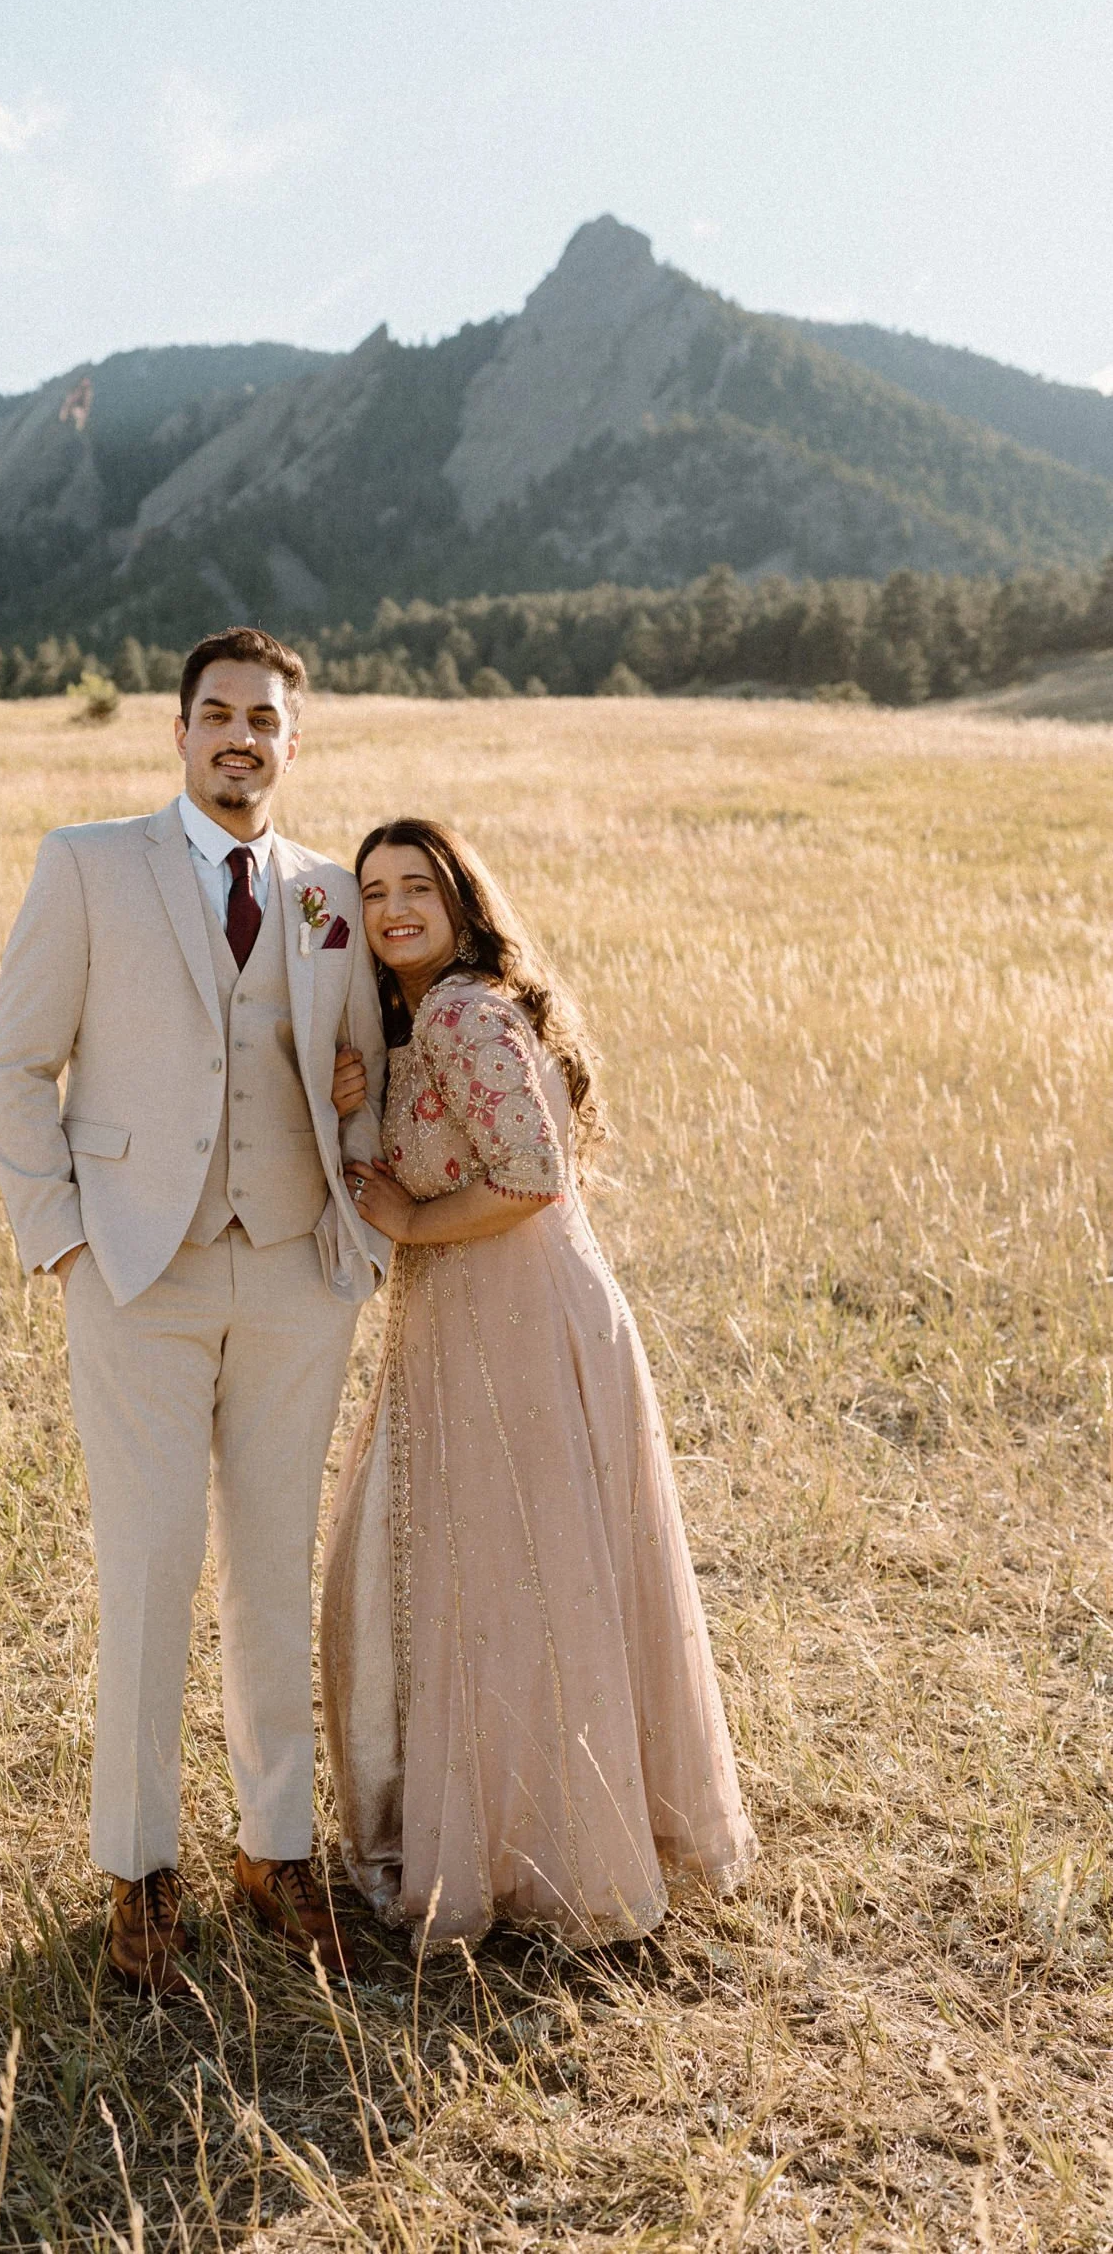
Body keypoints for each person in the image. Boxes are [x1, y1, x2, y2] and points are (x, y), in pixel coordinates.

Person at [0, 629, 387, 1995]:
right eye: (216, 715)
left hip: (289, 1272)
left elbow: (367, 1069)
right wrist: (62, 1243)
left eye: (264, 722)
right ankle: (138, 1868)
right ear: (175, 732)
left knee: (273, 1570)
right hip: (134, 1274)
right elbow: (13, 1061)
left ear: (290, 742)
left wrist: (355, 1199)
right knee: (148, 1569)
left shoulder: (327, 894)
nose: (240, 740)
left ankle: (275, 1849)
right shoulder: (87, 865)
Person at [322, 819, 756, 1948]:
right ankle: (522, 1827)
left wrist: (414, 1218)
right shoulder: (426, 1018)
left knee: (518, 1578)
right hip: (478, 1316)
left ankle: (544, 1851)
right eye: (373, 893)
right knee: (503, 1575)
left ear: (463, 901)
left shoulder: (466, 1011)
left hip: (514, 1317)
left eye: (418, 886)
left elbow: (531, 1174)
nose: (394, 909)